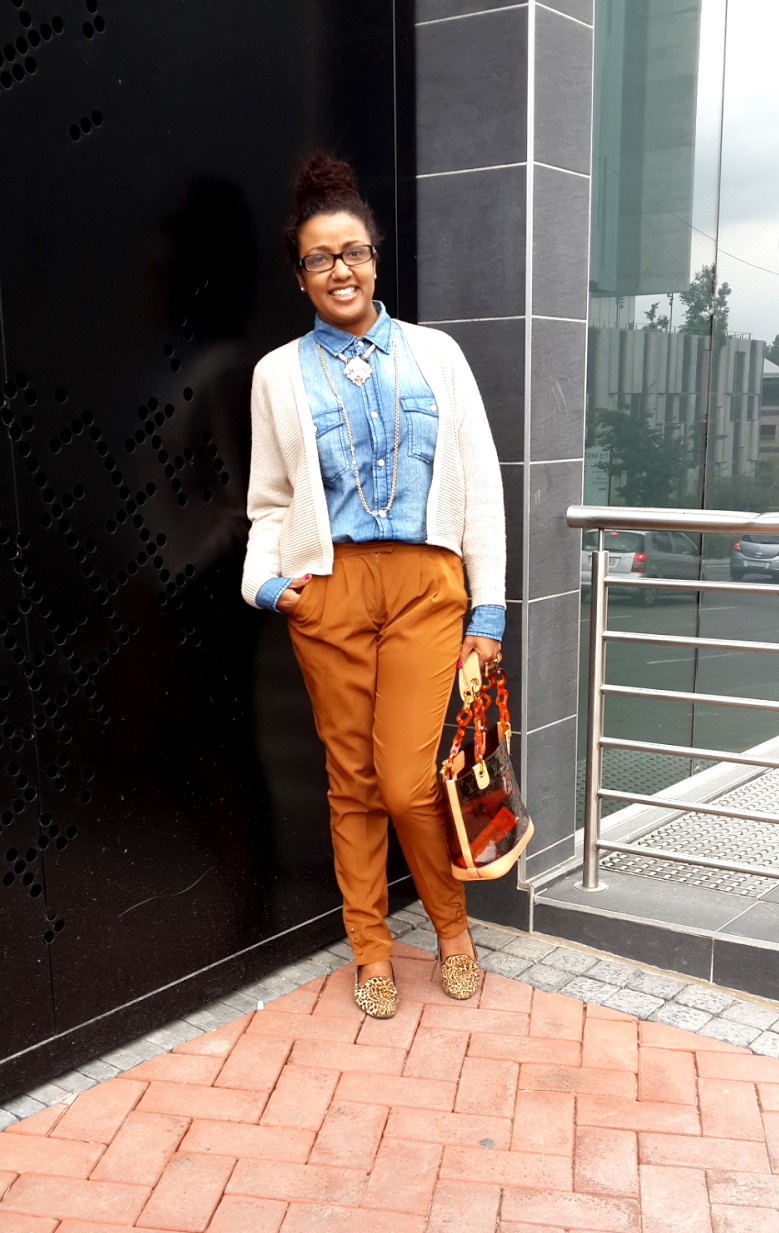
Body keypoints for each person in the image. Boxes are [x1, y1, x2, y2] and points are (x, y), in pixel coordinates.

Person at [242, 153, 506, 1018]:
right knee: (351, 782)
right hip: (331, 588)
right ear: (300, 275)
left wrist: (488, 612)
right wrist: (269, 585)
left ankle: (452, 932)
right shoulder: (277, 374)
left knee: (407, 781)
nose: (339, 270)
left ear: (375, 258)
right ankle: (371, 950)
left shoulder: (437, 355)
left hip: (429, 584)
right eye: (319, 258)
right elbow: (270, 499)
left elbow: (481, 485)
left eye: (352, 251)